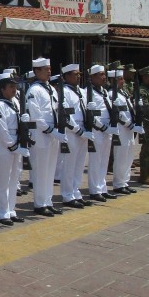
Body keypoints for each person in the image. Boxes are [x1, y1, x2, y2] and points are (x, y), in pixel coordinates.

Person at [25, 57, 66, 216]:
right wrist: (50, 130)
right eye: (45, 69)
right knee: (41, 170)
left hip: (52, 133)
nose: (49, 71)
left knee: (50, 169)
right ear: (37, 71)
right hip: (41, 134)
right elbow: (36, 115)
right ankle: (39, 203)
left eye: (49, 68)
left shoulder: (50, 89)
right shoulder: (34, 90)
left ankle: (48, 201)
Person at [0, 72, 28, 226]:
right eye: (11, 86)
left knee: (14, 180)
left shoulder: (16, 103)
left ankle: (11, 210)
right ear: (2, 89)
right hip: (3, 145)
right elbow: (1, 128)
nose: (14, 89)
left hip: (16, 144)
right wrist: (13, 146)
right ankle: (2, 212)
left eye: (15, 86)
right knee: (3, 180)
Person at [59, 63, 94, 208]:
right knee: (69, 164)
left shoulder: (82, 91)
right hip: (72, 130)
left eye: (79, 74)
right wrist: (76, 129)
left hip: (84, 129)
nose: (78, 76)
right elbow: (65, 113)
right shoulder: (64, 91)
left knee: (79, 164)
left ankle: (75, 191)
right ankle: (67, 195)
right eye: (75, 74)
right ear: (67, 76)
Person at [85, 64, 118, 202]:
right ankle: (95, 190)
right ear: (93, 77)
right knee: (96, 160)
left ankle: (102, 187)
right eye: (101, 75)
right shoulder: (88, 92)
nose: (104, 77)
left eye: (104, 74)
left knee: (104, 160)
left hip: (107, 129)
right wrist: (103, 127)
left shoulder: (104, 91)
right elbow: (91, 114)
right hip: (97, 130)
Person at [108, 69, 141, 194]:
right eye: (119, 79)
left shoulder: (123, 93)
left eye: (122, 78)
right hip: (121, 129)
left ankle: (125, 181)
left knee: (129, 155)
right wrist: (130, 124)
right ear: (112, 81)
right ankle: (118, 184)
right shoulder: (111, 94)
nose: (122, 81)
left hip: (129, 129)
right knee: (121, 156)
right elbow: (119, 114)